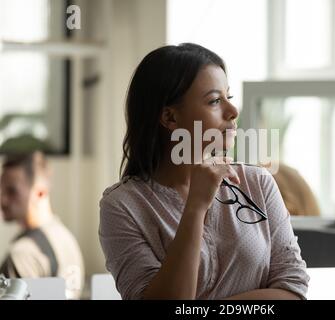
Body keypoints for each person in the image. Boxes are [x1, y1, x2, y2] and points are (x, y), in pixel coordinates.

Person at [99, 43, 309, 300]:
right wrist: (195, 207)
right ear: (170, 118)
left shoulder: (257, 184)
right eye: (214, 101)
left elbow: (293, 289)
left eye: (228, 98)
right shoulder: (122, 206)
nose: (233, 111)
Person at [0, 151, 84, 299]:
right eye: (1, 190)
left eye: (12, 191)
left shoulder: (21, 255)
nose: (3, 200)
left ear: (39, 192)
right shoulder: (68, 240)